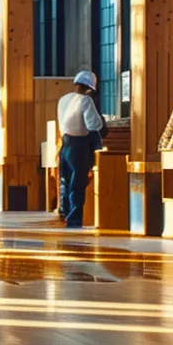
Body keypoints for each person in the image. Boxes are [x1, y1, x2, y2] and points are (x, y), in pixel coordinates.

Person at [56, 71, 105, 228]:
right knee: (78, 185)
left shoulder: (63, 99)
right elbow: (94, 125)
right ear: (89, 88)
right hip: (79, 147)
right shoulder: (85, 101)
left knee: (66, 181)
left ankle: (64, 212)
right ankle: (74, 220)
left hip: (64, 146)